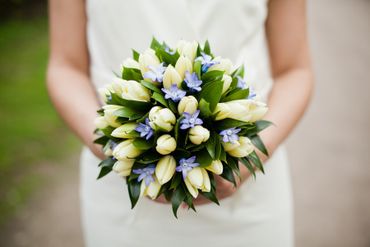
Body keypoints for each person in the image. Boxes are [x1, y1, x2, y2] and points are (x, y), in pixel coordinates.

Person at [47, 0, 313, 246]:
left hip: (248, 185)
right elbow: (65, 66)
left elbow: (294, 70)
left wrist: (248, 159)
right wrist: (120, 150)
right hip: (124, 188)